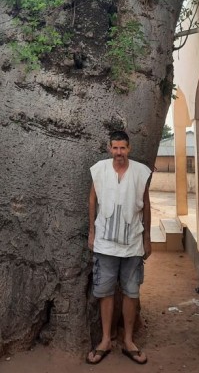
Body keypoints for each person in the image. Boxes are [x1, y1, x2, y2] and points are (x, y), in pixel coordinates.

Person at [86, 130, 152, 365]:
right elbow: (92, 199)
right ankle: (105, 339)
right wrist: (92, 232)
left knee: (131, 292)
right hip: (104, 243)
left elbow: (146, 205)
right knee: (105, 292)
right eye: (115, 148)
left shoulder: (140, 172)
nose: (119, 152)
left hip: (133, 243)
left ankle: (128, 341)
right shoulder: (100, 169)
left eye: (123, 148)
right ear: (109, 148)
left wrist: (147, 238)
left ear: (129, 149)